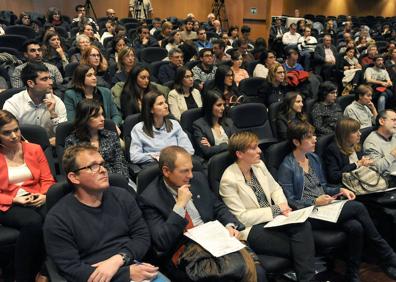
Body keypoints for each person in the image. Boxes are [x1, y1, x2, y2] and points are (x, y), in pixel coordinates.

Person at [278, 121, 396, 282]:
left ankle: (352, 272)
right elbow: (290, 201)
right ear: (296, 142)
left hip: (325, 207)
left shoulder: (313, 158)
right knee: (357, 207)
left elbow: (325, 186)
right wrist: (314, 201)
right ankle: (389, 256)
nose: (315, 140)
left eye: (314, 135)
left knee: (356, 227)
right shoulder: (287, 166)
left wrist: (340, 190)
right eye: (309, 137)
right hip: (307, 214)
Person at [44, 144, 169, 282]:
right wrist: (124, 274)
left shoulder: (122, 196)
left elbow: (142, 236)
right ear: (74, 177)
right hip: (93, 276)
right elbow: (71, 269)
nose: (103, 170)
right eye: (93, 166)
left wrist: (119, 259)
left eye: (102, 164)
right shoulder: (57, 219)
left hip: (131, 264)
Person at [139, 146, 266, 281]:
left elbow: (217, 206)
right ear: (166, 171)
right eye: (184, 171)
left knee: (257, 271)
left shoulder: (197, 180)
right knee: (230, 275)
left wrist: (230, 225)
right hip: (186, 249)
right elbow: (162, 242)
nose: (191, 175)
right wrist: (180, 206)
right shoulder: (150, 198)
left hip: (214, 238)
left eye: (191, 169)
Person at [220, 131, 315, 282]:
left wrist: (282, 205)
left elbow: (275, 188)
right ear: (240, 154)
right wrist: (276, 210)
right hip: (253, 229)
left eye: (257, 146)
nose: (259, 150)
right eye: (254, 148)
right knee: (302, 248)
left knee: (304, 226)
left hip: (275, 219)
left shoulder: (259, 165)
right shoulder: (229, 180)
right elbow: (241, 218)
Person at [0, 110, 55, 282]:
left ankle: (47, 270)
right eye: (6, 133)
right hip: (8, 202)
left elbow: (47, 179)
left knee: (56, 219)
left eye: (16, 130)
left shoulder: (34, 149)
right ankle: (23, 276)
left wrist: (45, 195)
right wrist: (13, 199)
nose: (14, 136)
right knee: (33, 223)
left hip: (37, 197)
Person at [3, 63, 67, 144]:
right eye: (44, 79)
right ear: (31, 83)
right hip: (23, 147)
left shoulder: (56, 101)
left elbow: (62, 134)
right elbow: (8, 134)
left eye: (50, 78)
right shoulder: (13, 104)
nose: (51, 82)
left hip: (50, 147)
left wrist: (53, 114)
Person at [65, 99, 128, 177]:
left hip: (114, 178)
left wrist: (120, 180)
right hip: (90, 182)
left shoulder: (111, 136)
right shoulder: (72, 141)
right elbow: (76, 171)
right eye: (96, 116)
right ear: (84, 119)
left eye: (102, 114)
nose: (102, 119)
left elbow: (120, 162)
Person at [130, 91, 194, 165]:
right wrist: (157, 156)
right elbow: (134, 157)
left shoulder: (175, 124)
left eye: (165, 102)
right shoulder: (138, 129)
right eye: (160, 104)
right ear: (151, 109)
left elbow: (189, 150)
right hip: (154, 166)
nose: (166, 106)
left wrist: (168, 156)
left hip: (177, 164)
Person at [324, 117, 373, 185]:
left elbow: (361, 162)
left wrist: (366, 162)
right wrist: (357, 164)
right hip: (346, 186)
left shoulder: (356, 144)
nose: (360, 134)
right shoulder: (333, 149)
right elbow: (334, 177)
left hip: (361, 181)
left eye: (359, 130)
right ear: (345, 134)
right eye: (355, 132)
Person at [192, 90, 236, 159]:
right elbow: (206, 151)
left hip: (232, 159)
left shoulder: (228, 122)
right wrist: (228, 144)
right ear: (209, 106)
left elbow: (238, 144)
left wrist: (213, 148)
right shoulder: (198, 125)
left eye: (223, 104)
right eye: (219, 105)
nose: (223, 108)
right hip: (213, 163)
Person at [363, 109, 396, 187]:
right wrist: (393, 154)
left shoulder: (393, 134)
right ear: (381, 121)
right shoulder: (371, 143)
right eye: (393, 120)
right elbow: (375, 169)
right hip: (389, 182)